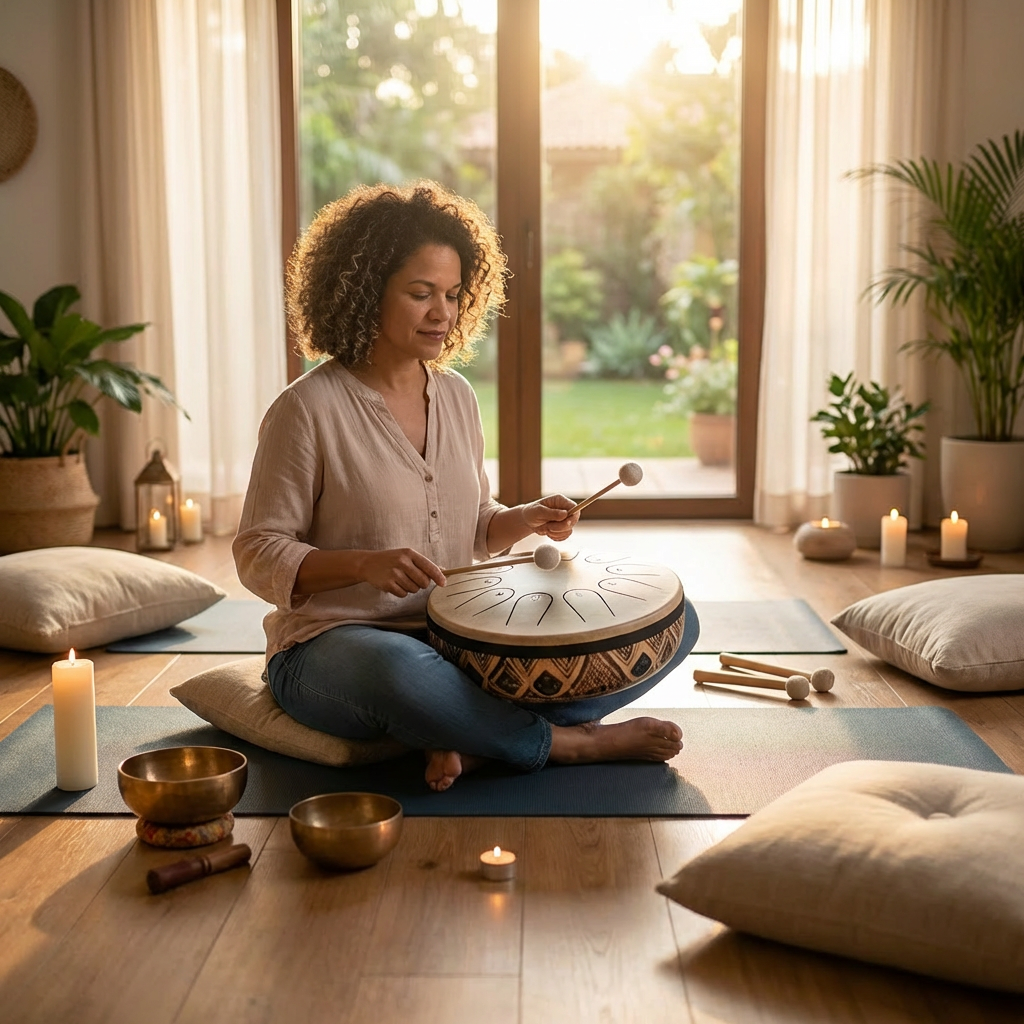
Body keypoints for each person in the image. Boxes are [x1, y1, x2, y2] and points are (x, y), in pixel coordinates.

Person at [233, 180, 699, 792]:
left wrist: (524, 518)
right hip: (338, 651)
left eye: (453, 295)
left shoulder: (455, 397)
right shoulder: (306, 410)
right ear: (364, 292)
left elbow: (473, 524)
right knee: (403, 672)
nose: (443, 313)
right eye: (421, 293)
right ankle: (564, 743)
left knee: (673, 622)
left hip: (459, 643)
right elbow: (257, 551)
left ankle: (474, 742)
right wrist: (362, 566)